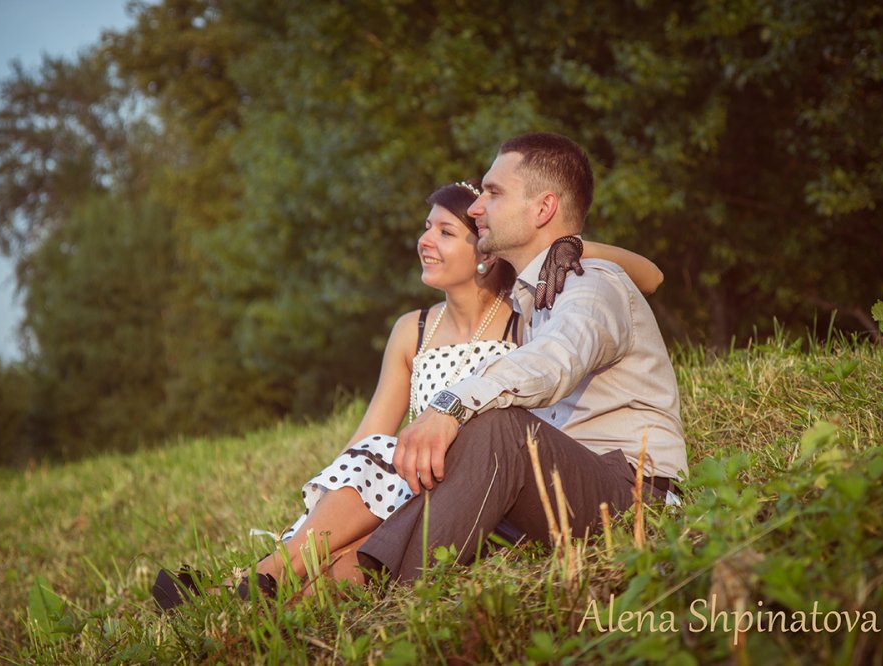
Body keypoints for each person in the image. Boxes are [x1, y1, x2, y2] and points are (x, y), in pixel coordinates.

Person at [152, 177, 663, 608]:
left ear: (484, 251)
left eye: (445, 231)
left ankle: (264, 589)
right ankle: (257, 584)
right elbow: (369, 434)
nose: (426, 240)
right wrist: (320, 505)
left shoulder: (523, 315)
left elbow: (648, 276)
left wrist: (571, 246)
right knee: (378, 454)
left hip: (460, 477)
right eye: (427, 227)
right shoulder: (412, 330)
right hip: (403, 473)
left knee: (389, 483)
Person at [353, 132, 689, 583]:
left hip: (631, 496)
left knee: (500, 428)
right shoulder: (529, 296)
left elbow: (556, 359)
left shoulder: (592, 284)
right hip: (554, 486)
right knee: (429, 475)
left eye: (493, 193)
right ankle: (297, 584)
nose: (475, 208)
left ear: (543, 209)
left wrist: (450, 404)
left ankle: (403, 597)